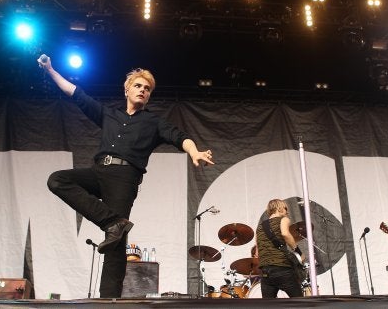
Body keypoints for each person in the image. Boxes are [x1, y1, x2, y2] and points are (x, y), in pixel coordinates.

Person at [37, 55, 215, 298]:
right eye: (138, 86)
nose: (143, 90)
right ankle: (112, 222)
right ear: (127, 90)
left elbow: (179, 137)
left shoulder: (153, 122)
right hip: (99, 171)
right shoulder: (109, 115)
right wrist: (50, 70)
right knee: (57, 179)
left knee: (115, 245)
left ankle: (108, 300)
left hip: (125, 178)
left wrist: (194, 152)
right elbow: (77, 93)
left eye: (147, 89)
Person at [255, 199, 304, 298]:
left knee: (268, 306)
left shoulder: (259, 227)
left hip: (265, 273)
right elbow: (285, 234)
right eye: (285, 208)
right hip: (281, 269)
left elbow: (257, 252)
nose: (287, 211)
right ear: (279, 208)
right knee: (300, 302)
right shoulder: (284, 219)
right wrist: (298, 252)